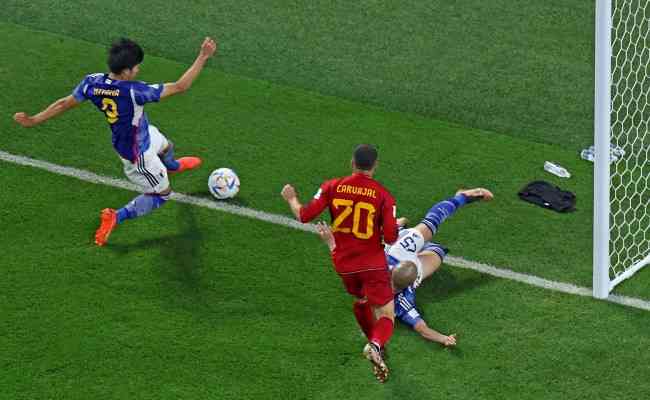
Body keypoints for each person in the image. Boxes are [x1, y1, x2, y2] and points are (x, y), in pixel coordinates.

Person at [13, 37, 217, 246]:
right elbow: (181, 86)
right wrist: (203, 56)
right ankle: (115, 216)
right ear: (126, 71)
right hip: (139, 156)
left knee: (167, 147)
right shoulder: (134, 92)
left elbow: (64, 103)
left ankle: (172, 166)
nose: (138, 70)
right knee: (162, 195)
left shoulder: (92, 83)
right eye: (136, 67)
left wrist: (34, 120)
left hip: (141, 135)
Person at [315, 188, 493, 347]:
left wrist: (444, 339)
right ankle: (458, 198)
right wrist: (443, 338)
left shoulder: (382, 281)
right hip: (402, 252)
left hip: (401, 250)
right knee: (435, 238)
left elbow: (346, 263)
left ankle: (401, 226)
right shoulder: (400, 297)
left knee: (426, 231)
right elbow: (422, 329)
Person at [281, 144, 398, 383]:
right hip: (373, 264)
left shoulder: (332, 186)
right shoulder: (384, 195)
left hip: (344, 263)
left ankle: (375, 345)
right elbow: (392, 237)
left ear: (351, 163)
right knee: (386, 314)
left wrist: (292, 198)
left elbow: (303, 215)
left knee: (363, 301)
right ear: (375, 166)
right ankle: (375, 345)